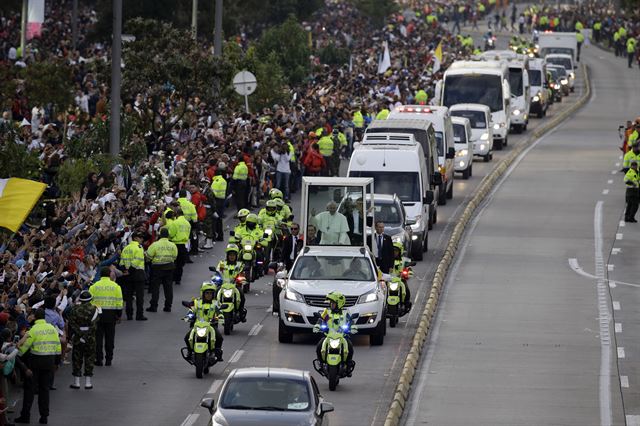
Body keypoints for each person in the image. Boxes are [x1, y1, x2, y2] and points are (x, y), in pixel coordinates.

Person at [15, 309, 61, 425]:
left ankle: (25, 416)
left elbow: (23, 349)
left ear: (35, 317)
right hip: (49, 362)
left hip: (35, 362)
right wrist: (57, 363)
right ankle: (44, 417)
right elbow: (58, 346)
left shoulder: (33, 330)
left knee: (30, 389)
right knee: (44, 390)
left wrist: (16, 349)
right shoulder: (52, 329)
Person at [313, 292, 355, 376]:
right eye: (331, 303)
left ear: (339, 304)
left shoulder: (345, 313)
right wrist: (317, 326)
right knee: (319, 345)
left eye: (333, 303)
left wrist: (353, 327)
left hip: (342, 336)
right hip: (328, 335)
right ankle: (321, 363)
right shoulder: (327, 312)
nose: (331, 305)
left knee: (350, 346)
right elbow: (321, 319)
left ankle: (348, 365)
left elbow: (350, 321)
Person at [90, 267, 123, 366]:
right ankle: (109, 359)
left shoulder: (94, 287)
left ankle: (99, 359)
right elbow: (119, 302)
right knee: (110, 338)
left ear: (100, 275)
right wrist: (119, 315)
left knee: (98, 338)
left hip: (98, 314)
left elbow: (91, 303)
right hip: (111, 314)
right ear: (109, 275)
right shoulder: (116, 286)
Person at [67, 290, 99, 390]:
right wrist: (86, 336)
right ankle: (88, 383)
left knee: (77, 359)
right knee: (89, 358)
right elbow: (94, 326)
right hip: (90, 338)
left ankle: (77, 382)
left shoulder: (75, 309)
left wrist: (80, 335)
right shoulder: (95, 309)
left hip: (77, 337)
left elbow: (71, 324)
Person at [184, 282, 224, 362]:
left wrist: (219, 318)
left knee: (219, 337)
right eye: (207, 293)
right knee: (187, 337)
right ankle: (189, 351)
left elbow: (220, 312)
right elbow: (191, 310)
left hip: (211, 326)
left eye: (211, 293)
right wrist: (189, 316)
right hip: (197, 325)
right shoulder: (197, 302)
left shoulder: (216, 303)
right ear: (203, 293)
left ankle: (217, 353)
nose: (209, 295)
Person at [146, 228, 178, 313]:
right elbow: (175, 256)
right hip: (169, 267)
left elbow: (148, 256)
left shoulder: (155, 244)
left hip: (157, 268)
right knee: (168, 287)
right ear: (167, 235)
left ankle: (154, 306)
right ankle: (168, 306)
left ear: (160, 235)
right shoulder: (172, 245)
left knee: (155, 288)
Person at [119, 232, 147, 321]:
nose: (142, 239)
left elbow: (121, 262)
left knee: (129, 296)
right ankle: (139, 315)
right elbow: (137, 261)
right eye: (140, 237)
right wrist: (130, 270)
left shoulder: (125, 248)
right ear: (135, 238)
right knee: (139, 296)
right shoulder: (139, 248)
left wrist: (125, 271)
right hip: (138, 273)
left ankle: (129, 315)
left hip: (127, 275)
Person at [216, 244, 247, 321]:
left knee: (242, 295)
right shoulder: (222, 263)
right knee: (215, 294)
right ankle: (215, 314)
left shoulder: (240, 264)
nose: (232, 256)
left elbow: (242, 274)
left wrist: (241, 279)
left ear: (236, 256)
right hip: (223, 286)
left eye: (233, 255)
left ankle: (240, 313)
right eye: (230, 255)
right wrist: (216, 278)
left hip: (235, 286)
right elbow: (217, 272)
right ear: (227, 255)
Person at [169, 208, 191, 286]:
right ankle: (178, 279)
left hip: (175, 244)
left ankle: (173, 278)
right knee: (180, 263)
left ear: (177, 214)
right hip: (184, 244)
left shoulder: (175, 223)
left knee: (174, 262)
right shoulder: (187, 223)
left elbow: (171, 234)